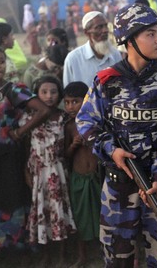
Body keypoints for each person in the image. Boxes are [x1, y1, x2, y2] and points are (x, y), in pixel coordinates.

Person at [76, 3, 157, 267]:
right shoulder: (106, 80)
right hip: (118, 187)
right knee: (117, 258)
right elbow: (86, 121)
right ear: (129, 41)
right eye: (150, 34)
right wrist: (111, 150)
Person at [0, 45, 49, 254]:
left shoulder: (13, 90)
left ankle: (19, 245)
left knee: (15, 196)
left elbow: (43, 110)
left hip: (11, 154)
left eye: (1, 61)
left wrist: (21, 131)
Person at [21, 75, 75, 267]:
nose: (49, 96)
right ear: (37, 95)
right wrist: (26, 171)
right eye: (44, 92)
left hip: (57, 171)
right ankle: (46, 254)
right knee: (42, 212)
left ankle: (61, 254)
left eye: (53, 92)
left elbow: (68, 147)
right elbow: (27, 146)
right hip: (37, 172)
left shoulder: (63, 118)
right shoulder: (29, 118)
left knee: (59, 213)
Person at [64, 81, 99, 267]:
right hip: (78, 177)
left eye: (74, 102)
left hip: (96, 176)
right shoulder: (69, 127)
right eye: (67, 102)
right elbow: (66, 155)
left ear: (86, 100)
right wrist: (74, 145)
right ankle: (82, 255)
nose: (70, 107)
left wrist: (91, 142)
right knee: (81, 216)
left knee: (101, 213)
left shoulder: (95, 122)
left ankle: (104, 249)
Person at [63, 11, 122, 87]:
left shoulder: (115, 54)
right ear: (86, 32)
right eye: (99, 27)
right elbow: (69, 93)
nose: (105, 30)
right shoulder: (73, 59)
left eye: (105, 26)